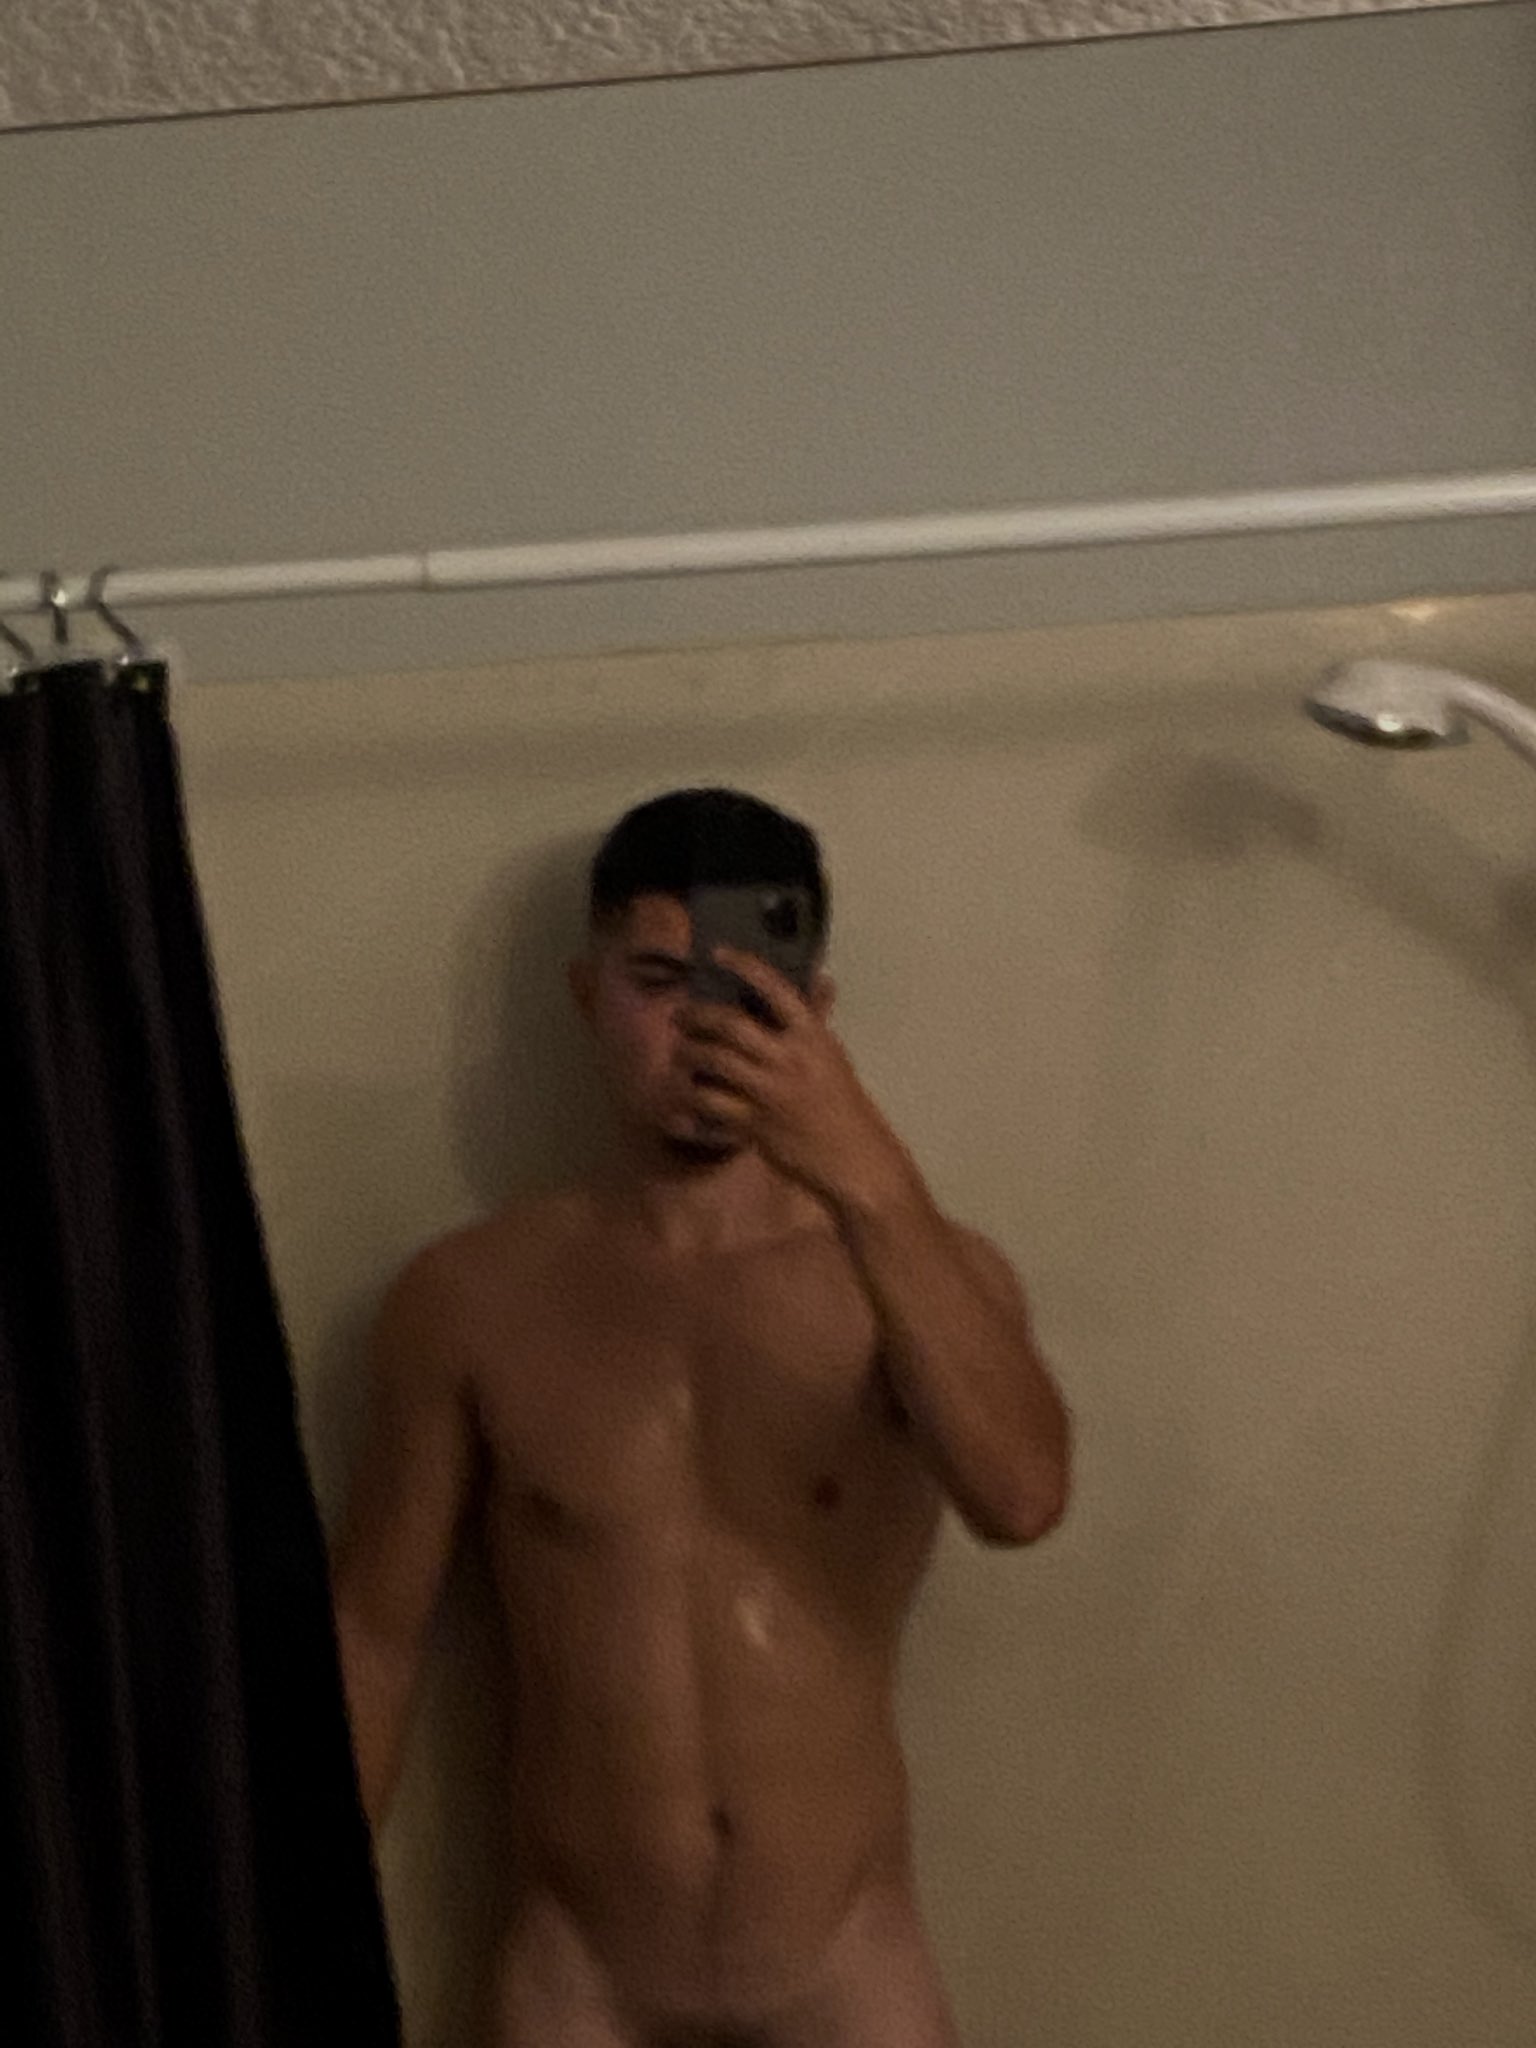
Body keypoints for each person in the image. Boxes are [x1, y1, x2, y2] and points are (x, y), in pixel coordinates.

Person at [331, 787, 1071, 2048]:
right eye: (659, 981)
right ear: (587, 995)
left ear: (817, 1011)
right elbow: (374, 1635)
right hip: (580, 1976)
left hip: (850, 1964)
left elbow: (1022, 1494)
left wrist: (863, 1166)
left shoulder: (917, 1273)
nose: (700, 1030)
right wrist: (295, 1932)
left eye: (747, 991)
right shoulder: (471, 1297)